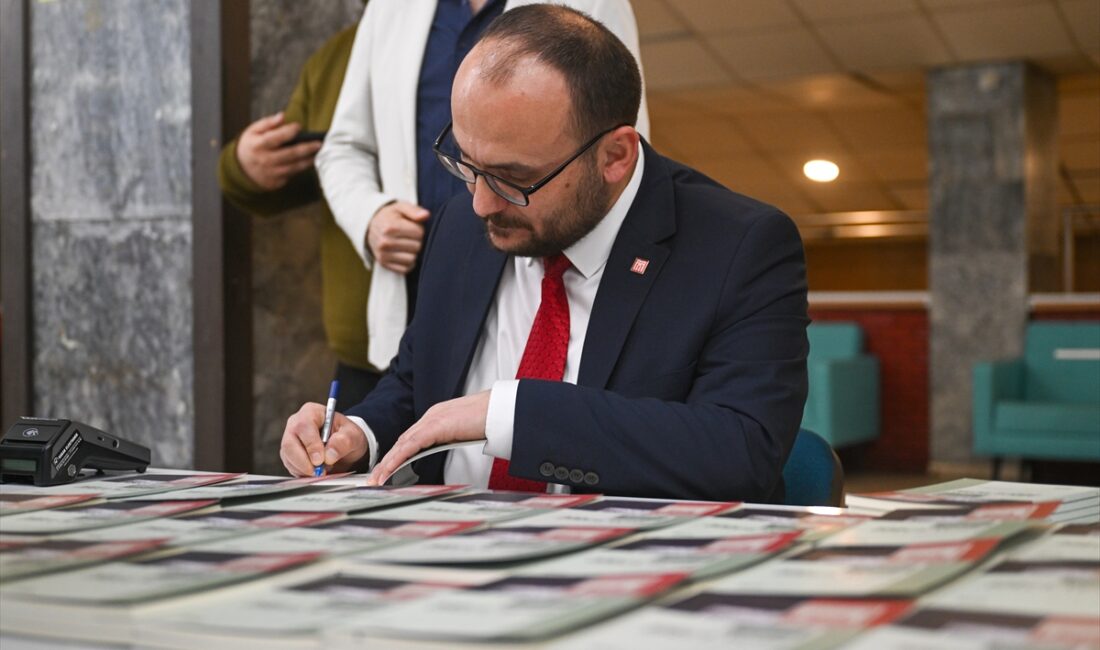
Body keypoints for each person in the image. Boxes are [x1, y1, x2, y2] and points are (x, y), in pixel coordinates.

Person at [281, 5, 809, 503]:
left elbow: (741, 452)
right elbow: (417, 380)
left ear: (615, 156)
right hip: (447, 553)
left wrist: (511, 414)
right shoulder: (463, 218)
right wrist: (360, 433)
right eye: (466, 162)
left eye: (514, 178)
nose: (481, 203)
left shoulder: (740, 246)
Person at [316, 0, 649, 373]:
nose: (481, 203)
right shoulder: (393, 6)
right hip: (414, 287)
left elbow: (616, 160)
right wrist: (370, 215)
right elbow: (345, 146)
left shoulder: (594, 5)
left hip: (536, 289)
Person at [217, 23, 381, 411]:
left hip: (481, 344)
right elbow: (299, 163)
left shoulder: (506, 32)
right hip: (363, 357)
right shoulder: (337, 55)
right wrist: (244, 165)